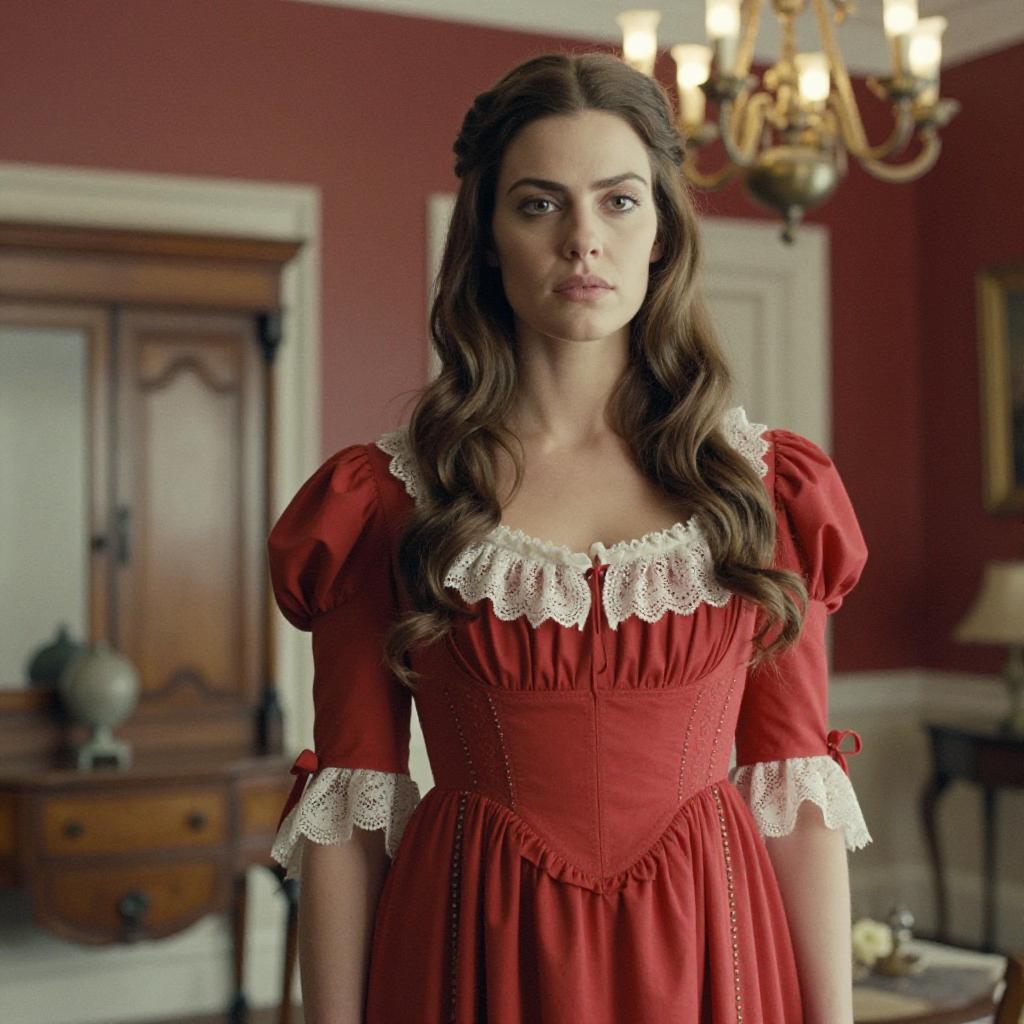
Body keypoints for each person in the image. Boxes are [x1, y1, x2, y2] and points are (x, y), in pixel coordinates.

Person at [268, 50, 871, 1024]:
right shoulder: (383, 502)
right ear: (487, 235)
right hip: (471, 957)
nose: (583, 240)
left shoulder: (763, 490)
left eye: (619, 201)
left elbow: (796, 803)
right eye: (539, 204)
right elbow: (347, 818)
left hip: (710, 956)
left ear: (662, 231)